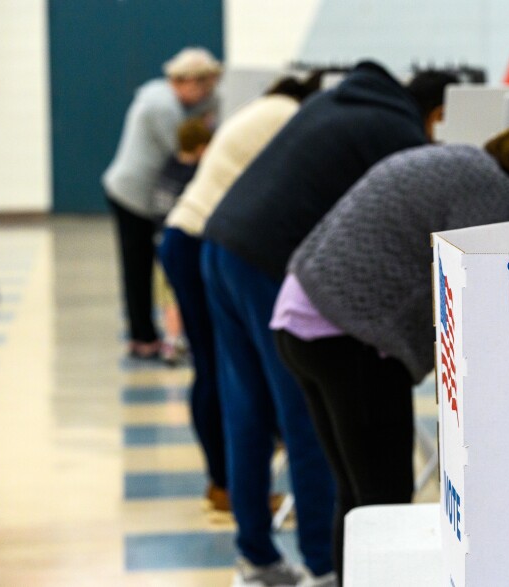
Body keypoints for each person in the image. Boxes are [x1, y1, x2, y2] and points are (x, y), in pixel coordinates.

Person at [200, 61, 457, 586]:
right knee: (309, 422)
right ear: (439, 116)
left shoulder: (339, 104)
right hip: (273, 261)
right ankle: (323, 567)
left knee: (248, 410)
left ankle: (257, 557)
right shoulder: (396, 132)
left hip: (222, 244)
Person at [272, 119, 509, 583]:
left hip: (302, 318)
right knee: (384, 501)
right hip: (348, 334)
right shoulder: (490, 188)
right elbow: (474, 290)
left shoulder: (457, 161)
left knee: (360, 501)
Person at [158, 73, 324, 513]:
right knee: (220, 371)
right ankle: (227, 484)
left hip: (187, 235)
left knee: (214, 368)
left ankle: (223, 483)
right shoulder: (288, 117)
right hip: (201, 238)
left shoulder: (257, 111)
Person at [102, 47, 221, 359]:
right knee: (138, 268)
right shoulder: (163, 107)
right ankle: (143, 338)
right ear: (186, 81)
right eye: (204, 86)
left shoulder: (163, 96)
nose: (208, 94)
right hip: (133, 196)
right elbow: (187, 149)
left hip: (142, 193)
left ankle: (147, 335)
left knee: (145, 269)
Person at [152, 117, 212, 365]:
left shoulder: (169, 165)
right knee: (179, 295)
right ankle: (179, 340)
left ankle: (170, 339)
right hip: (179, 242)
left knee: (167, 297)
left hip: (158, 239)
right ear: (201, 148)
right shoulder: (195, 175)